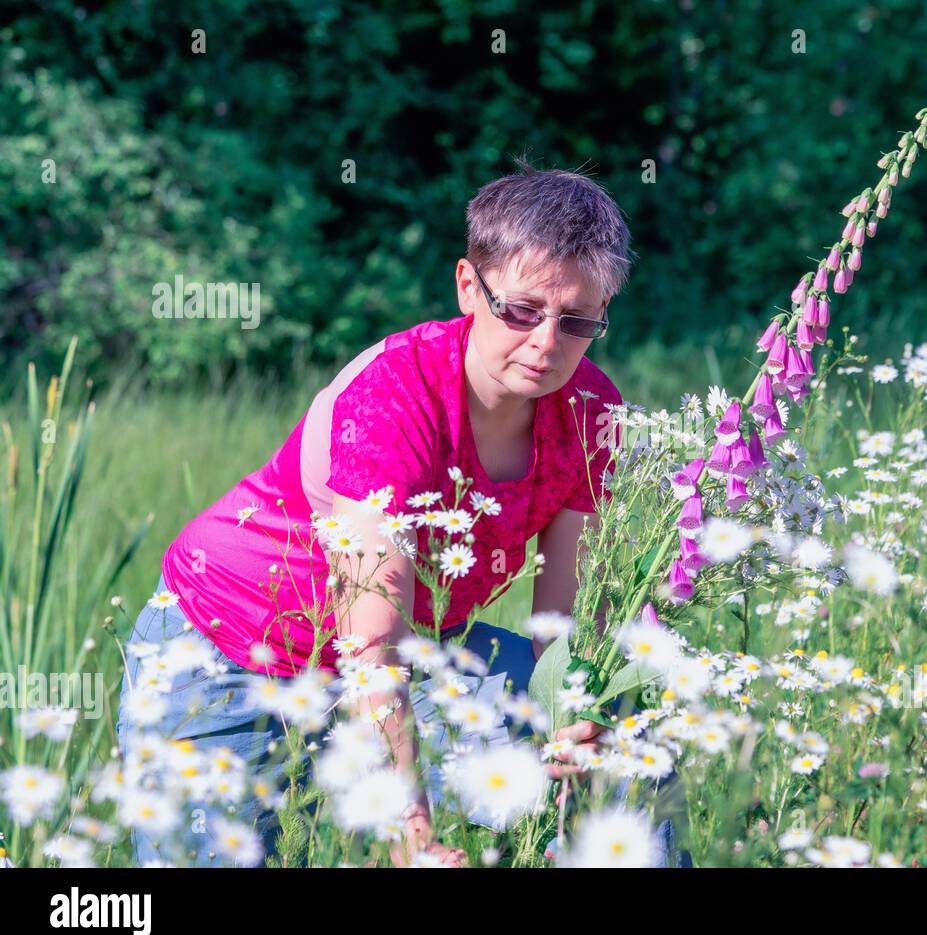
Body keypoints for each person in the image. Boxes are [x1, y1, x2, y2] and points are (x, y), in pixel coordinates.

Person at [114, 161, 684, 867]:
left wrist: (578, 721)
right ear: (468, 287)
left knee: (628, 727)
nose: (546, 343)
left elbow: (561, 631)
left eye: (576, 321)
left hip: (412, 654)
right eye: (522, 311)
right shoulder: (393, 397)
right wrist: (410, 830)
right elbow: (371, 645)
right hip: (231, 650)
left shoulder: (592, 410)